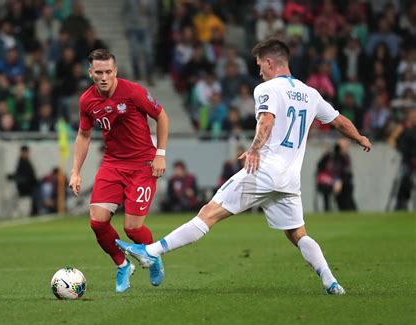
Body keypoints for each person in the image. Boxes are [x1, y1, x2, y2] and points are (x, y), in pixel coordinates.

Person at [116, 39, 372, 295]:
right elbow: (338, 120)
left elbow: (266, 121)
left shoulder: (267, 88)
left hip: (264, 170)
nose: (259, 71)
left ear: (270, 62)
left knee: (208, 213)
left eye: (260, 65)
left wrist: (254, 149)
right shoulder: (310, 93)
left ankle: (152, 252)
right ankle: (331, 282)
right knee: (297, 233)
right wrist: (359, 137)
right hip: (290, 179)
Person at [69, 49, 169, 293]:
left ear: (115, 71)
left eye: (108, 72)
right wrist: (75, 171)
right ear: (90, 72)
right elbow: (83, 135)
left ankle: (154, 258)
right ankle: (123, 264)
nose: (103, 77)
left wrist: (160, 154)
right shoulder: (87, 100)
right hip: (112, 164)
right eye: (98, 72)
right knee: (97, 222)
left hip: (142, 165)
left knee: (132, 228)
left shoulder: (133, 91)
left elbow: (162, 117)